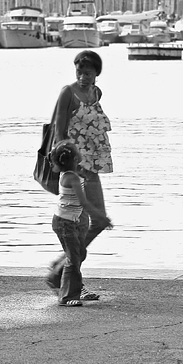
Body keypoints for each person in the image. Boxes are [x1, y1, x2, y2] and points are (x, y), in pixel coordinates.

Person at [45, 50, 114, 300]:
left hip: (93, 166)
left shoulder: (96, 93)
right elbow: (59, 131)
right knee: (78, 224)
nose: (83, 77)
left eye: (88, 73)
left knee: (99, 221)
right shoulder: (68, 92)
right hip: (76, 168)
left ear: (97, 73)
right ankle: (70, 280)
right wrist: (70, 165)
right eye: (79, 72)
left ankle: (61, 269)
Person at [48, 141, 111, 307]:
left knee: (79, 254)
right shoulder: (72, 178)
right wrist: (100, 217)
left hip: (69, 221)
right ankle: (67, 296)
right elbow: (84, 202)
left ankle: (60, 281)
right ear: (76, 158)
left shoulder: (71, 173)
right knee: (74, 258)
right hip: (65, 223)